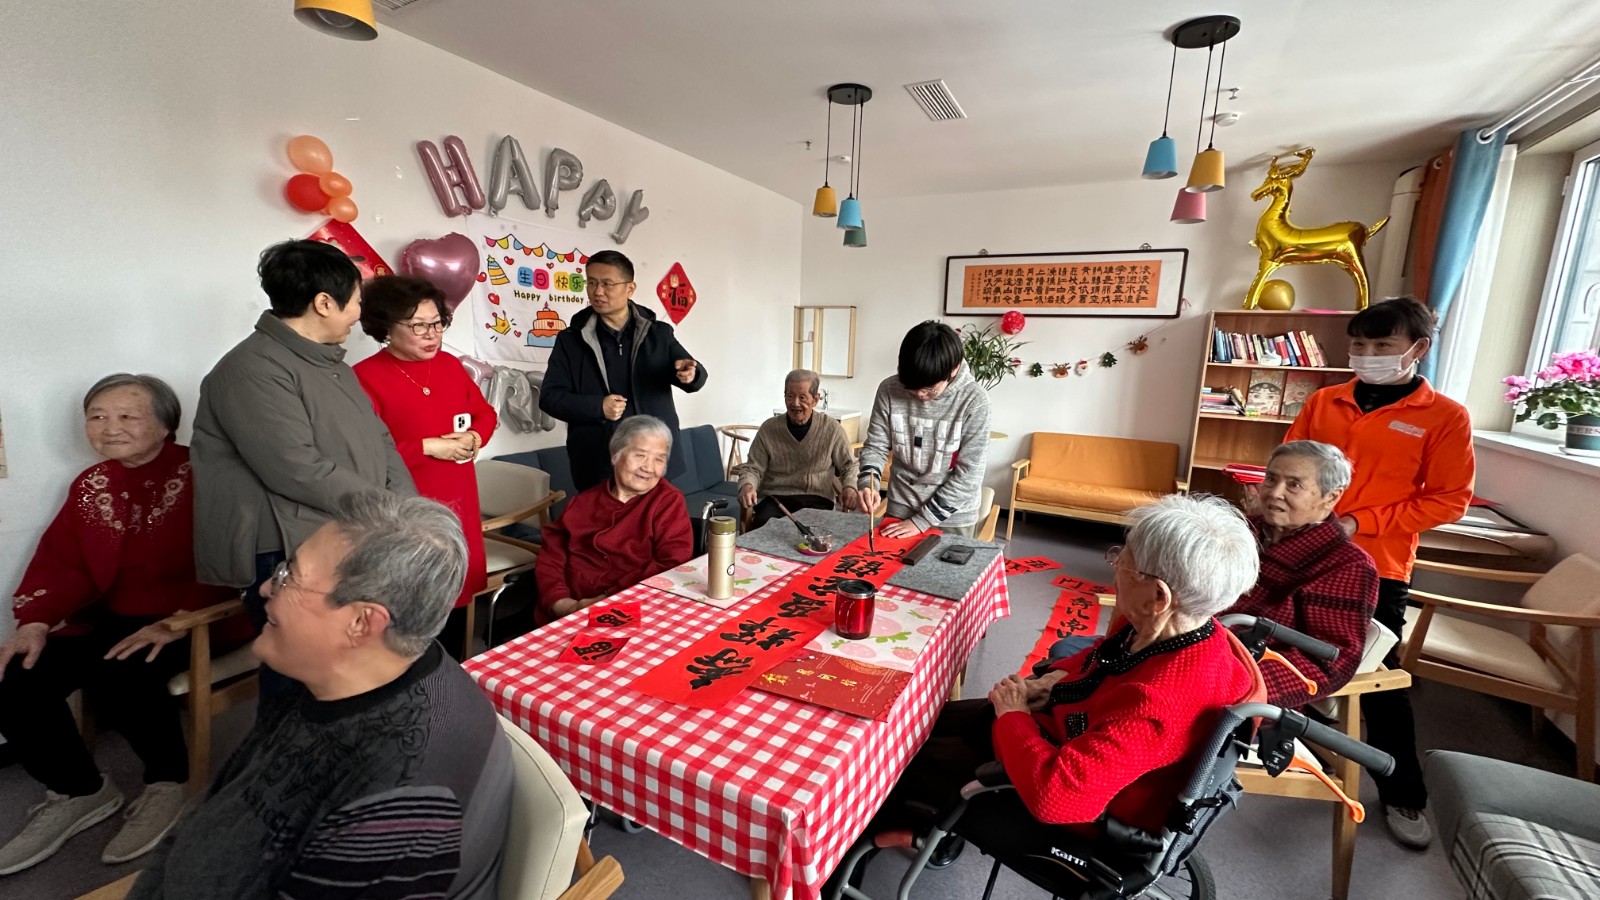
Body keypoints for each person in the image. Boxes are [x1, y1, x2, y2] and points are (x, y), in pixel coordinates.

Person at [126, 492, 512, 900]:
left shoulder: (398, 800)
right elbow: (215, 808)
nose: (265, 588)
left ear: (361, 622)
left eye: (289, 576)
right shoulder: (328, 675)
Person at [855, 495, 1262, 872]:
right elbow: (1104, 655)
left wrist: (1013, 716)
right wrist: (1056, 677)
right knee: (919, 722)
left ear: (1158, 596)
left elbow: (1057, 798)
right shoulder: (1179, 628)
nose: (1114, 567)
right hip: (1059, 728)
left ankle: (858, 852)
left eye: (1123, 560)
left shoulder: (1161, 703)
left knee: (889, 763)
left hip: (1063, 798)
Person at [0, 375, 243, 875]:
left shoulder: (209, 472)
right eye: (97, 416)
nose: (109, 428)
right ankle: (79, 791)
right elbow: (62, 561)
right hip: (111, 618)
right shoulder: (92, 484)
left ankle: (168, 783)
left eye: (128, 416)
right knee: (16, 674)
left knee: (124, 669)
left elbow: (231, 556)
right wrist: (36, 620)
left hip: (197, 619)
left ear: (166, 424)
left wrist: (179, 621)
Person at [1284, 297, 1474, 849]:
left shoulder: (1445, 416)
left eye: (1382, 345)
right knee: (1283, 652)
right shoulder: (1325, 400)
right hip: (1304, 551)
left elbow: (1450, 500)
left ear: (1418, 349)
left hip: (1378, 566)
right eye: (1359, 345)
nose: (1367, 355)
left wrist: (1360, 522)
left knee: (1379, 680)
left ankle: (1403, 793)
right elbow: (1292, 462)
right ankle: (1294, 750)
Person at [190, 240, 416, 625]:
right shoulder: (252, 370)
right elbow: (296, 468)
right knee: (308, 659)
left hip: (351, 532)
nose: (358, 314)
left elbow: (380, 440)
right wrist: (391, 509)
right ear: (324, 303)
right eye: (356, 301)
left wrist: (408, 506)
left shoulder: (333, 365)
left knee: (358, 651)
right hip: (288, 548)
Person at [354, 275, 497, 659]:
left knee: (456, 594)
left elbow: (484, 413)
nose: (431, 334)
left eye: (437, 323)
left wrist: (475, 437)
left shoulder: (449, 366)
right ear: (386, 326)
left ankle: (453, 677)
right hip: (408, 507)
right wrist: (427, 447)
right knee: (412, 603)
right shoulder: (365, 377)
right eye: (418, 326)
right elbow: (365, 453)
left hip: (459, 499)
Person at [1226, 441, 1379, 709]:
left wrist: (1234, 686)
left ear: (1331, 496)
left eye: (1294, 485)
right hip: (1188, 649)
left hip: (1240, 687)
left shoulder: (1346, 565)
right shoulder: (1240, 529)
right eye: (1271, 479)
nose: (1275, 493)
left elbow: (1327, 662)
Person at [539, 250, 707, 492]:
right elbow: (550, 398)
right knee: (604, 518)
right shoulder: (571, 341)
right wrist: (598, 407)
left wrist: (691, 374)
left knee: (658, 517)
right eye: (592, 283)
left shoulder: (658, 333)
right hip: (599, 463)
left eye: (607, 284)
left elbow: (693, 374)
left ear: (630, 289)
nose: (597, 292)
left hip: (652, 460)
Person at [531, 416, 694, 624]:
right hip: (563, 611)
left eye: (659, 460)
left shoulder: (667, 502)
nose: (649, 467)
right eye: (640, 455)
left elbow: (672, 562)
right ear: (615, 455)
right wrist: (560, 602)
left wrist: (606, 599)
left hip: (631, 610)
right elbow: (551, 555)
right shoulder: (583, 502)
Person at [849, 321, 990, 538]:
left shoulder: (974, 400)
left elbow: (969, 475)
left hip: (952, 517)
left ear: (953, 369)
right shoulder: (889, 389)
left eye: (930, 389)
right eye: (912, 389)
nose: (920, 395)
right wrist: (869, 484)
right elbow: (876, 446)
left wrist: (922, 521)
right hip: (900, 507)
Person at [733, 369, 860, 530]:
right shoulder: (769, 429)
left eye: (802, 397)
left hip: (817, 500)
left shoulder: (831, 429)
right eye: (790, 396)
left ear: (815, 400)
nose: (795, 403)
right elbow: (753, 468)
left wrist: (850, 487)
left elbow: (849, 465)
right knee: (765, 528)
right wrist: (747, 485)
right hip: (776, 500)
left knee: (817, 534)